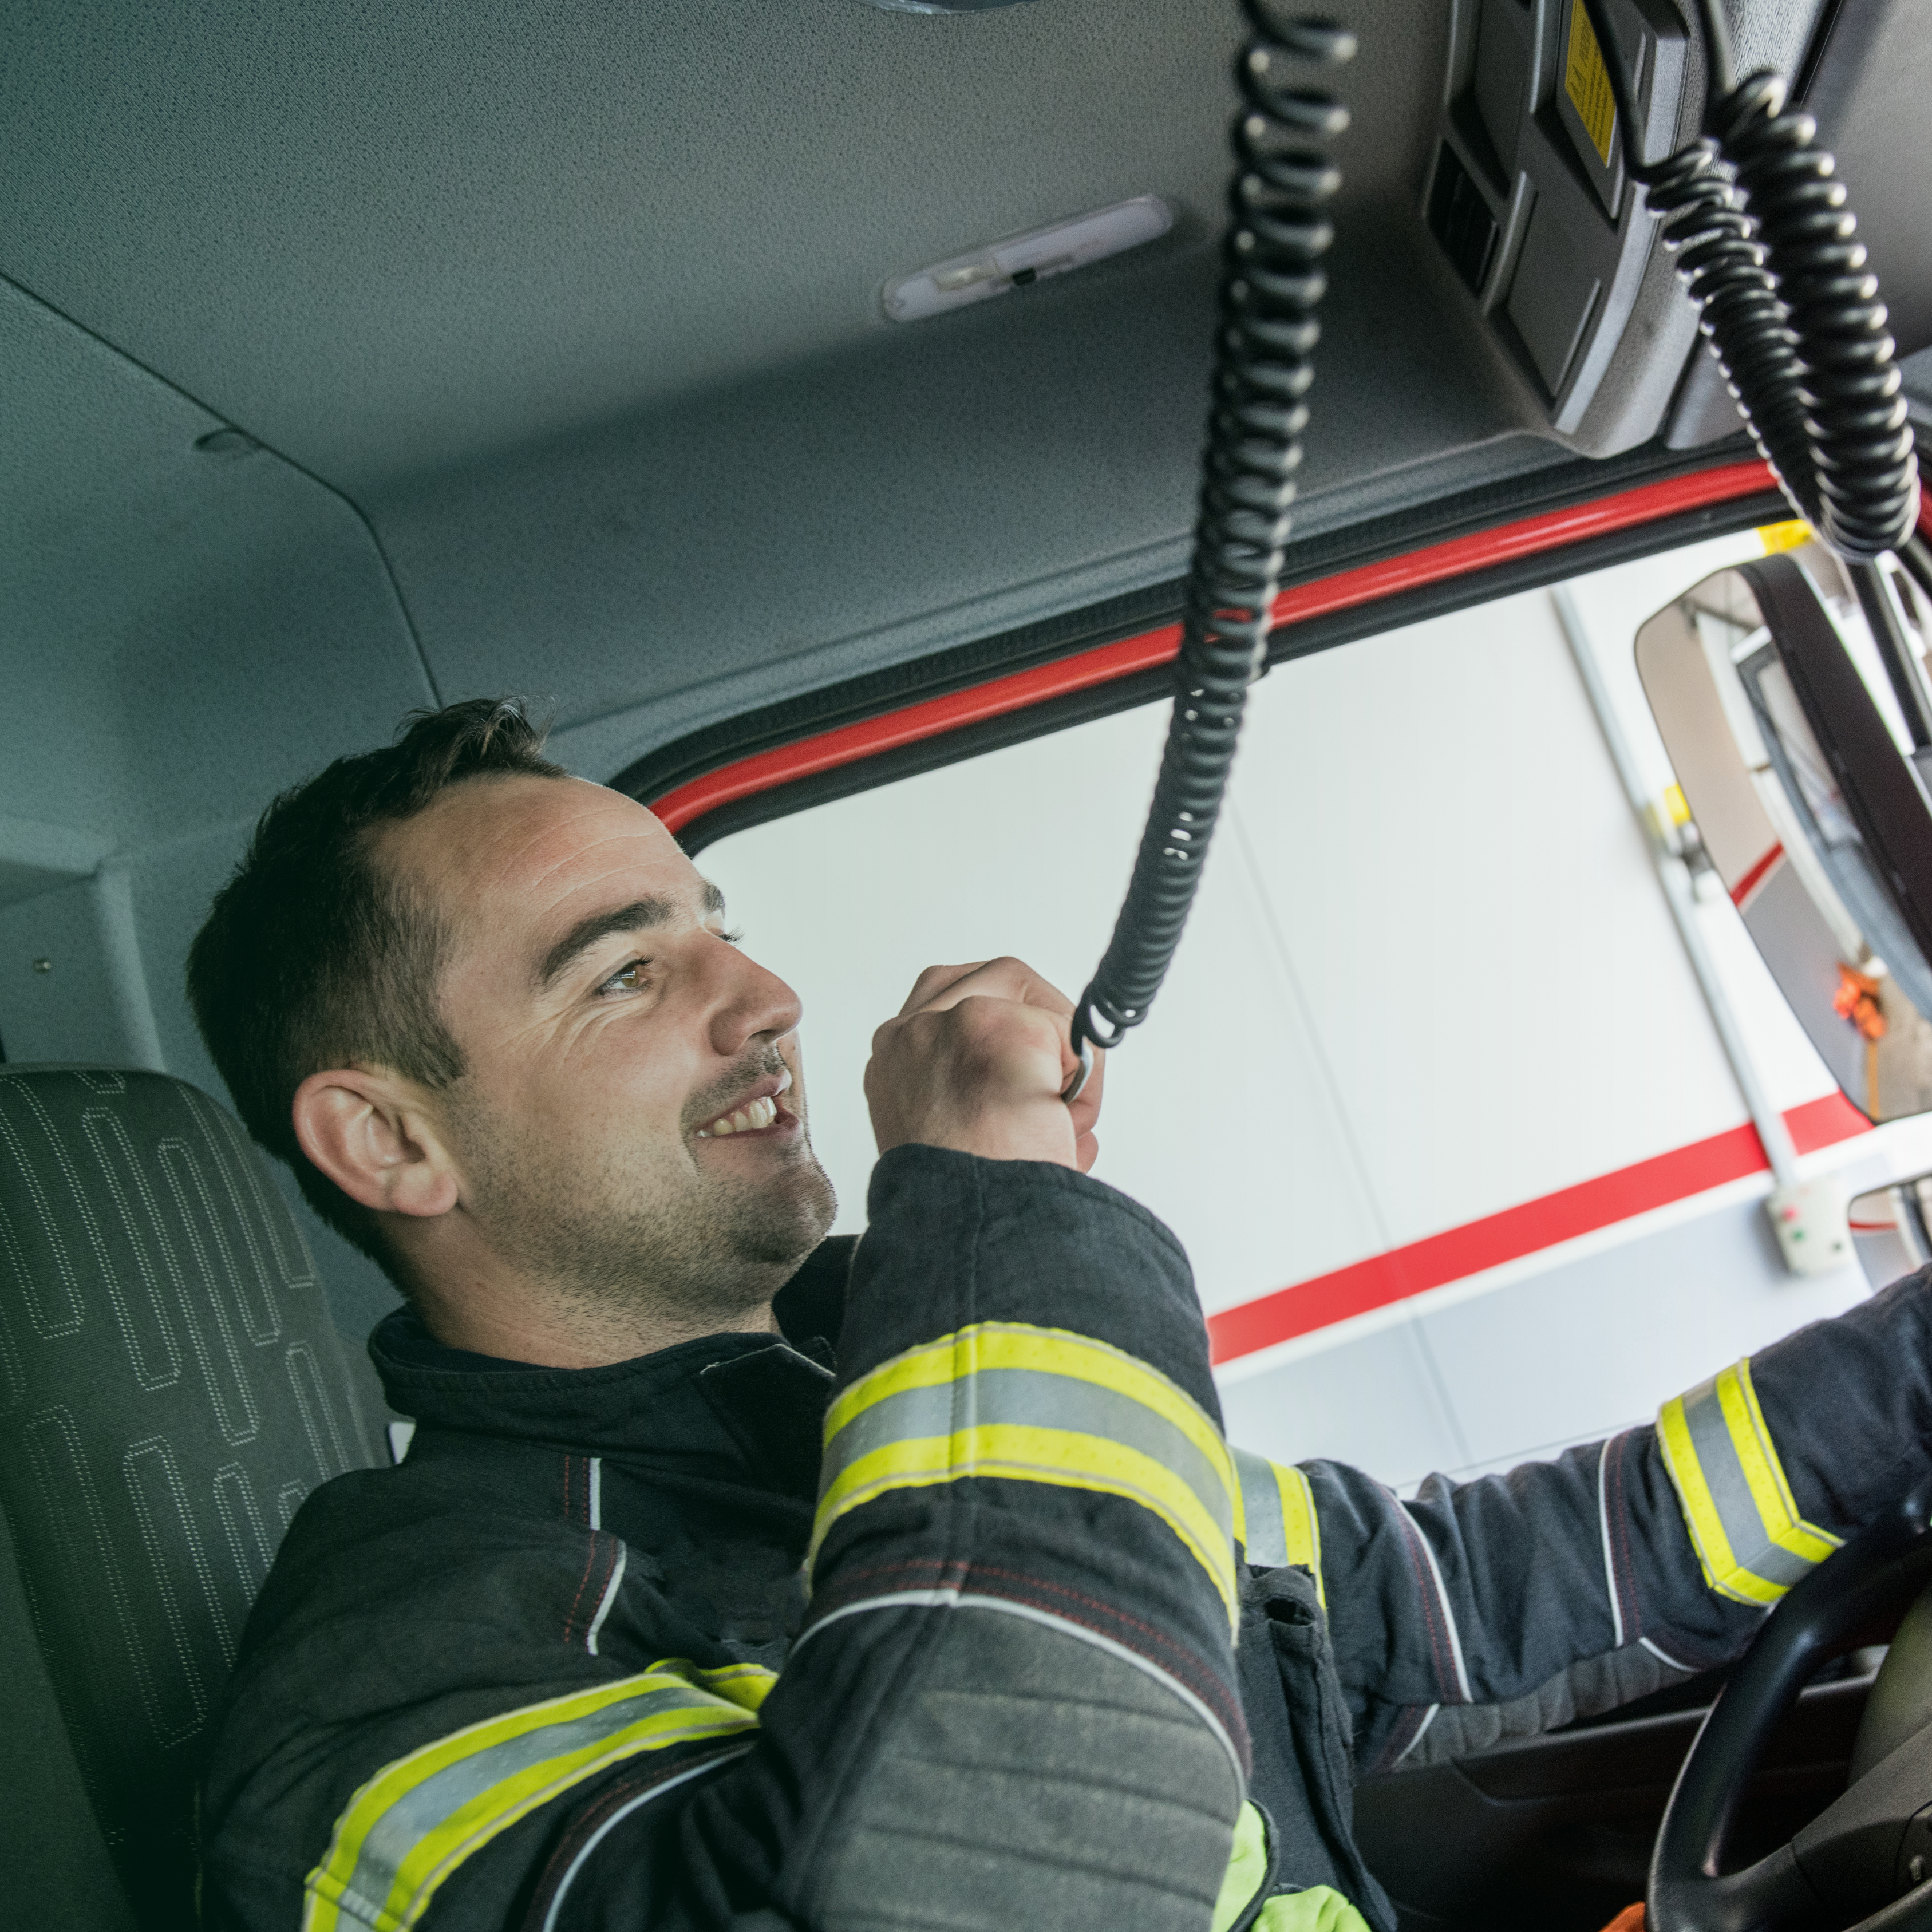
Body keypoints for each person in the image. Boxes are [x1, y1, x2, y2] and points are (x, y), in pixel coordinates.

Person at [192, 698, 1929, 1932]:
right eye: (627, 969)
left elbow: (1477, 1598)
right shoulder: (390, 1706)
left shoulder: (863, 1388)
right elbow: (995, 1874)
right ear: (391, 1136)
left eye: (714, 924)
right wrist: (1006, 1223)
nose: (771, 999)